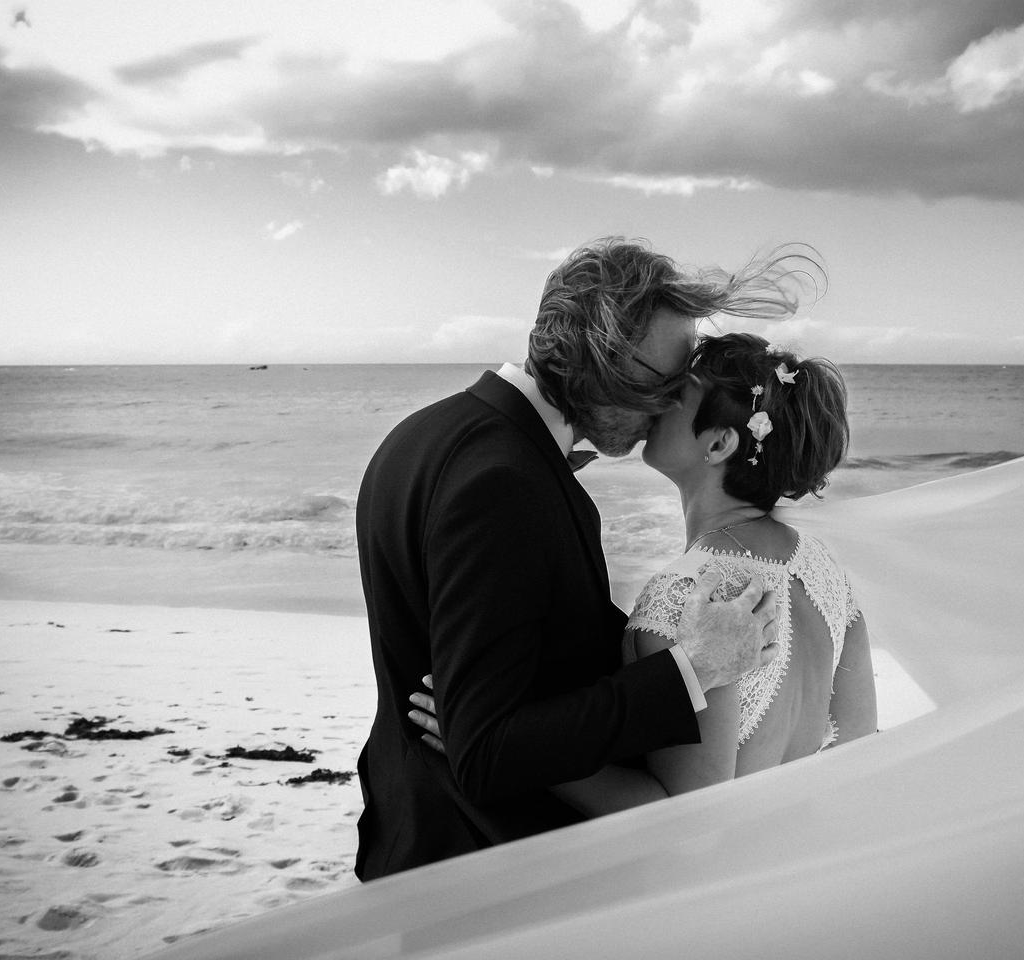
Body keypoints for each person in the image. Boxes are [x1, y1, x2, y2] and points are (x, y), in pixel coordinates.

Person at [354, 238, 807, 880]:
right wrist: (692, 667)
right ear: (603, 362)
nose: (671, 407)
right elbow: (486, 750)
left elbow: (517, 641)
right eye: (666, 384)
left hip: (428, 832)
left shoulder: (423, 434)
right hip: (478, 861)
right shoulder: (503, 482)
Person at [540, 332, 877, 815]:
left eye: (676, 395)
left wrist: (520, 757)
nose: (654, 401)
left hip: (713, 877)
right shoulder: (823, 567)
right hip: (793, 861)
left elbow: (682, 818)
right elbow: (860, 749)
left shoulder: (691, 597)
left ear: (719, 443)